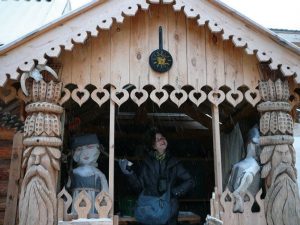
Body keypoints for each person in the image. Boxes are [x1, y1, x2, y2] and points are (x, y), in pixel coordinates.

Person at [119, 127, 195, 225]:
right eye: (158, 139)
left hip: (170, 211)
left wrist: (173, 193)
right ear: (153, 146)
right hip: (150, 209)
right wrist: (129, 173)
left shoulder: (174, 163)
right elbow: (139, 187)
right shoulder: (146, 163)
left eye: (163, 137)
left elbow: (190, 181)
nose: (162, 140)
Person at [69, 134, 109, 214]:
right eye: (80, 149)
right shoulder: (73, 173)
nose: (85, 153)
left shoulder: (99, 174)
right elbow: (68, 190)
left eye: (90, 148)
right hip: (76, 208)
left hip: (94, 208)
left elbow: (105, 193)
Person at [227, 125, 261, 213]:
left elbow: (228, 195)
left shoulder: (240, 166)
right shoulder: (239, 166)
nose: (257, 148)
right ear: (248, 144)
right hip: (247, 210)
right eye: (255, 145)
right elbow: (228, 195)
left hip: (255, 209)